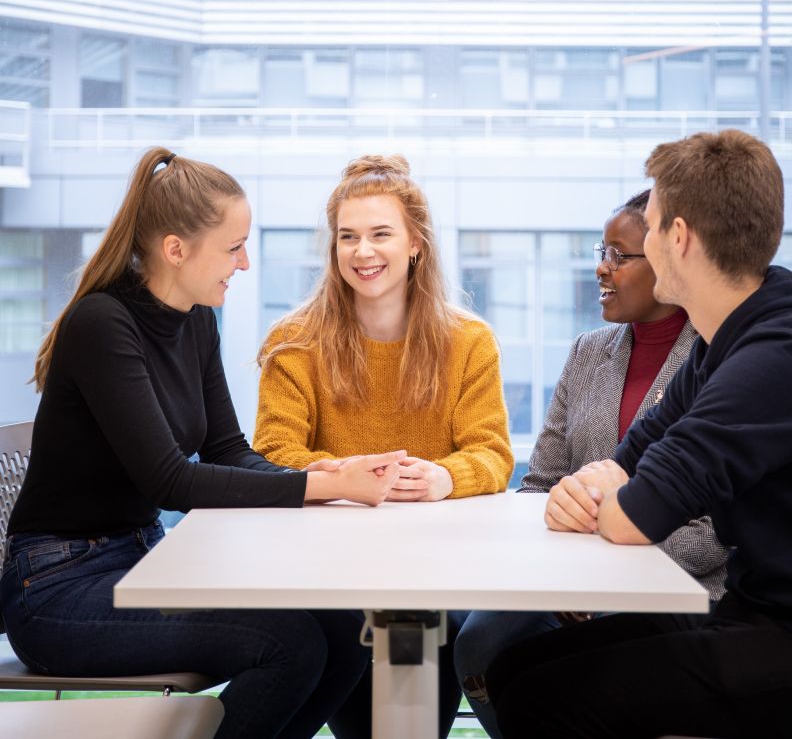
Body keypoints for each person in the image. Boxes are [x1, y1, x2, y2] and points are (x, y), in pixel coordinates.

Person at [0, 146, 408, 739]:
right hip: (59, 591)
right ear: (176, 250)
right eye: (234, 247)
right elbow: (172, 482)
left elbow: (226, 451)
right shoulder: (103, 323)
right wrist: (323, 487)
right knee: (288, 645)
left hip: (145, 560)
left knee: (346, 634)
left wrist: (329, 472)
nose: (243, 265)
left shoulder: (195, 319)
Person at [488, 129, 792, 739]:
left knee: (544, 697)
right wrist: (600, 488)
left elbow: (634, 515)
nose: (642, 242)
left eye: (648, 228)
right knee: (515, 670)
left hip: (778, 636)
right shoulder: (722, 340)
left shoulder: (772, 352)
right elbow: (626, 461)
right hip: (750, 611)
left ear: (677, 239)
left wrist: (610, 496)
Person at [253, 153, 514, 738]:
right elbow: (270, 453)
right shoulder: (293, 341)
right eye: (348, 237)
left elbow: (492, 453)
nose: (362, 252)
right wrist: (345, 475)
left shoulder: (469, 341)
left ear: (416, 242)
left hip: (438, 573)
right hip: (328, 575)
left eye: (380, 235)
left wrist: (444, 478)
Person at [452, 190, 729, 738]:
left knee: (535, 671)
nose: (602, 268)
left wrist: (602, 577)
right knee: (476, 642)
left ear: (670, 257)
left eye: (621, 255)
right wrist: (562, 574)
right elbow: (539, 485)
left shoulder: (721, 357)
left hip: (681, 583)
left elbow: (716, 529)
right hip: (566, 579)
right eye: (601, 251)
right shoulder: (587, 351)